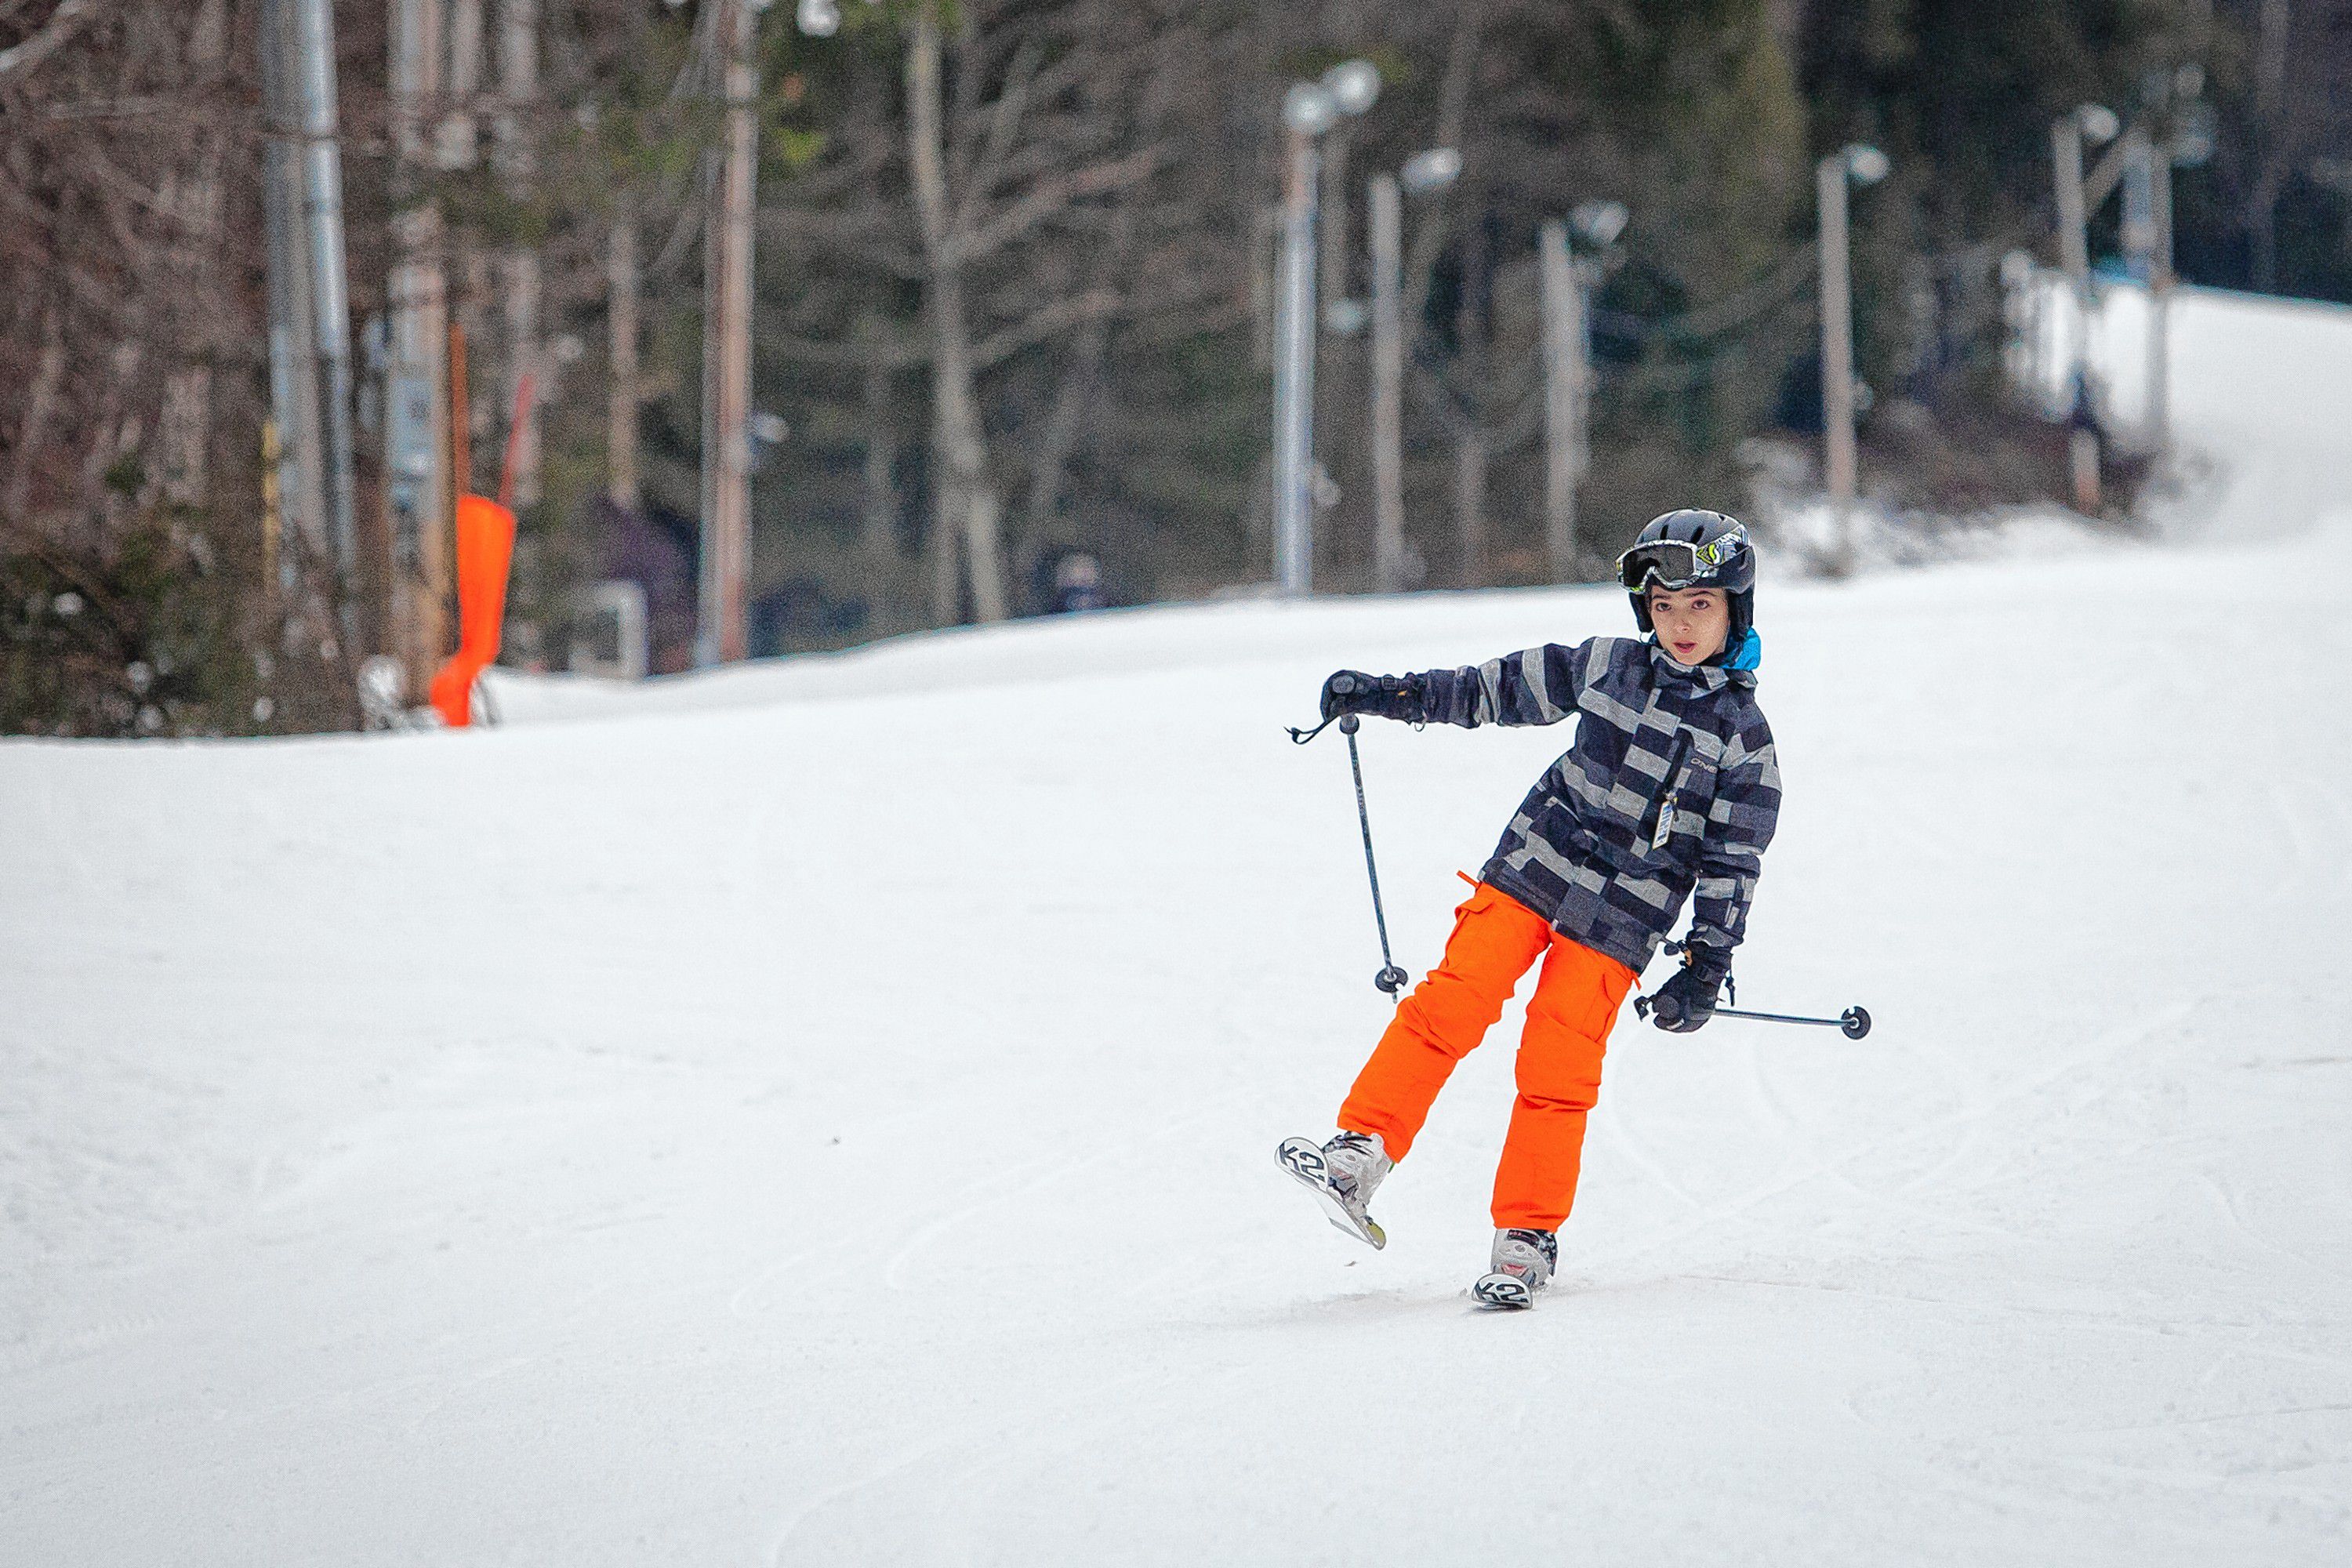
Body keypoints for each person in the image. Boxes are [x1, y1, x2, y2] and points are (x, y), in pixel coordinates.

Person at [1277, 510, 1782, 1309]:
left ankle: (1525, 1237)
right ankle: (1358, 1153)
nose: (1680, 625)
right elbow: (1492, 689)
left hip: (1621, 920)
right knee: (1452, 1000)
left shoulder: (1744, 740)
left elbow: (1732, 861)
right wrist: (1388, 694)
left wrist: (1706, 963)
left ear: (1735, 609)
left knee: (1556, 1068)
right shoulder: (1605, 665)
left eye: (1700, 606)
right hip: (1533, 868)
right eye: (1663, 606)